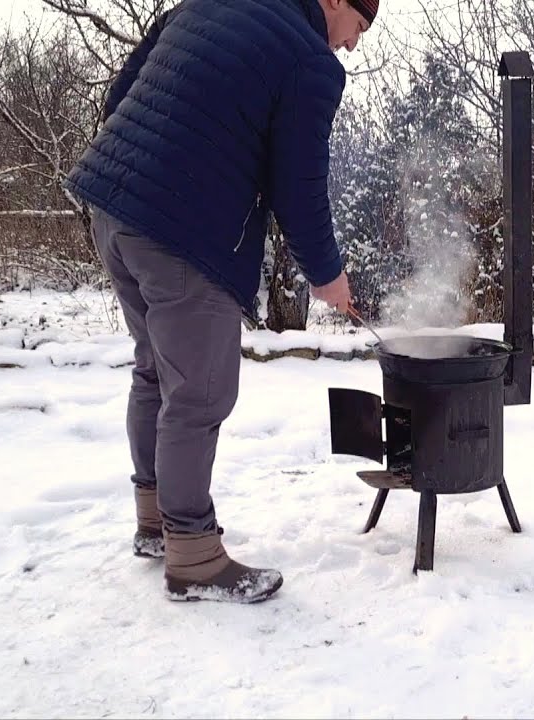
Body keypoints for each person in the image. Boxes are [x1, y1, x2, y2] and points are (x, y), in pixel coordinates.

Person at [63, 0, 377, 603]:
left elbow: (121, 97)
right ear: (336, 2)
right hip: (184, 232)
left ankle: (156, 524)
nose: (352, 45)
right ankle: (194, 555)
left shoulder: (205, 5)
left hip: (112, 207)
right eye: (358, 27)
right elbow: (299, 181)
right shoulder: (310, 62)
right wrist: (326, 274)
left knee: (156, 369)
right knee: (201, 391)